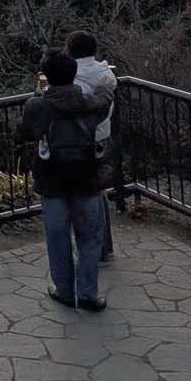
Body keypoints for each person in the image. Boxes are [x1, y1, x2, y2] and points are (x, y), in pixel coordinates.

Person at [17, 51, 114, 312]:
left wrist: (39, 94)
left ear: (46, 77)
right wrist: (105, 84)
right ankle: (88, 294)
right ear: (73, 74)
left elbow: (24, 133)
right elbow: (105, 99)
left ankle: (64, 290)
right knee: (90, 239)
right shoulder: (89, 103)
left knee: (58, 238)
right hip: (86, 177)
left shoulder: (37, 106)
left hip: (53, 181)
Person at [66, 29, 118, 263]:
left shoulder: (73, 79)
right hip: (103, 137)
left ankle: (89, 249)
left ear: (70, 51)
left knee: (81, 195)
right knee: (98, 191)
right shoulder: (105, 73)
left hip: (80, 141)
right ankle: (104, 247)